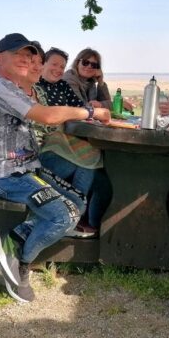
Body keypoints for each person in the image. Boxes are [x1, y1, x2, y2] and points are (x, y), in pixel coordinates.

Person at [0, 33, 111, 304]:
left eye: (30, 57)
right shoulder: (0, 87)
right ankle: (21, 265)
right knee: (65, 215)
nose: (27, 62)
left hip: (24, 170)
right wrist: (91, 113)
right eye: (20, 57)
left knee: (78, 202)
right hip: (4, 176)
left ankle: (17, 236)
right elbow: (48, 116)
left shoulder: (10, 86)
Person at [36, 46, 107, 237]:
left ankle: (71, 218)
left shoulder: (62, 86)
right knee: (90, 162)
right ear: (42, 64)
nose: (59, 69)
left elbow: (80, 111)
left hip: (58, 145)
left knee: (92, 158)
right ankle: (72, 219)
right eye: (55, 64)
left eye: (62, 66)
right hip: (39, 154)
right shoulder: (36, 87)